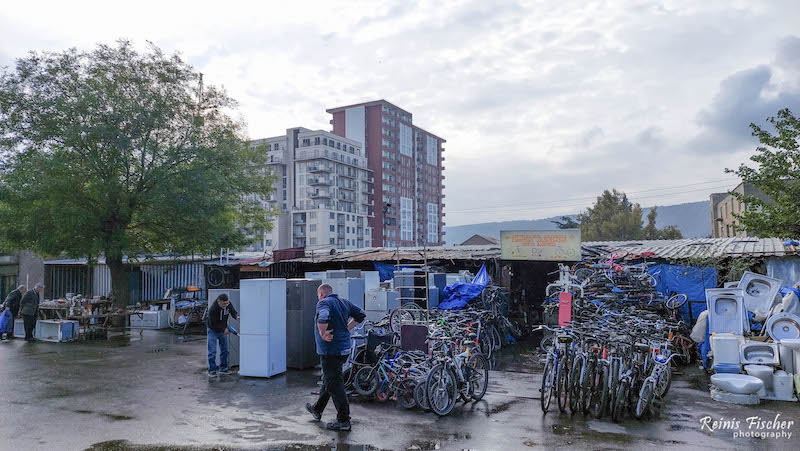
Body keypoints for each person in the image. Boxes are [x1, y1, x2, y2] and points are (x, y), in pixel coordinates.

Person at [306, 283, 366, 431]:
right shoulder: (344, 302)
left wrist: (322, 333)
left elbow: (323, 316)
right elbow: (361, 315)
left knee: (335, 384)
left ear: (321, 294)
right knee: (329, 380)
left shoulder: (324, 302)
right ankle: (317, 409)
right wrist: (347, 328)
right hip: (344, 349)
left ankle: (344, 420)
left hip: (330, 351)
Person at [207, 293, 239, 376]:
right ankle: (212, 371)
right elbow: (213, 323)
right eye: (224, 303)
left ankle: (223, 369)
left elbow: (232, 311)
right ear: (218, 302)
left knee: (225, 350)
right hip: (212, 330)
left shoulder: (228, 305)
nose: (226, 305)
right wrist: (224, 329)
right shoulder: (213, 309)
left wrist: (236, 316)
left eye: (227, 303)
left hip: (223, 328)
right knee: (212, 351)